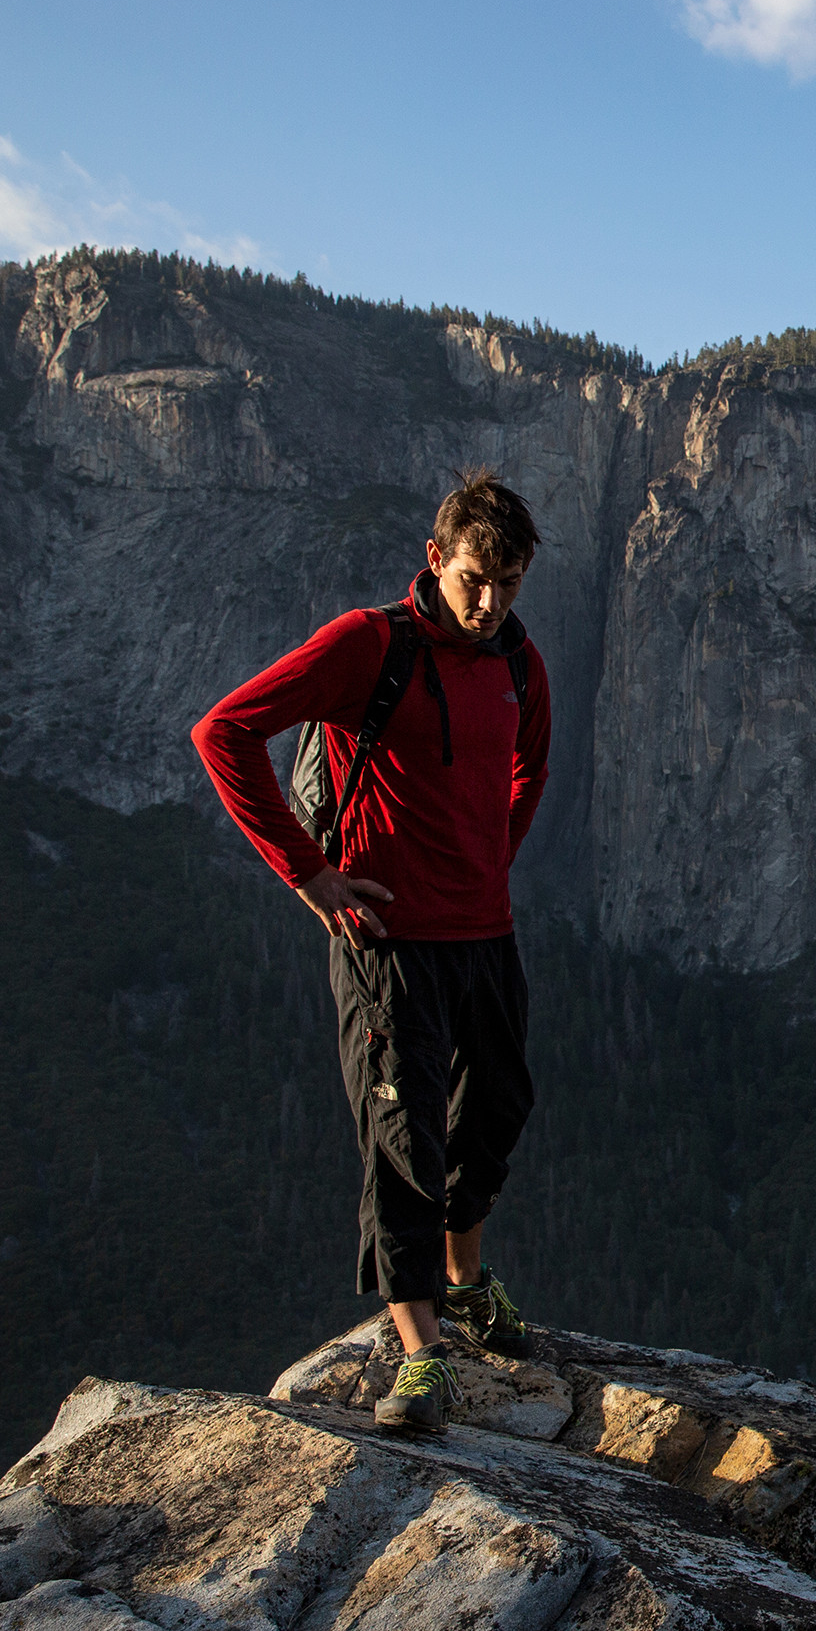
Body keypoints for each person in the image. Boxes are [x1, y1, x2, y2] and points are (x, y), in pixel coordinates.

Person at [191, 471, 552, 1433]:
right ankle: (421, 1349)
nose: (491, 602)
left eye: (511, 583)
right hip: (384, 942)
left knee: (499, 1107)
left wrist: (486, 862)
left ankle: (465, 1280)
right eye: (477, 578)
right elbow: (224, 731)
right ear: (435, 560)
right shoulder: (367, 648)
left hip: (485, 935)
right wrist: (311, 877)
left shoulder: (518, 662)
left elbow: (531, 767)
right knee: (404, 1138)